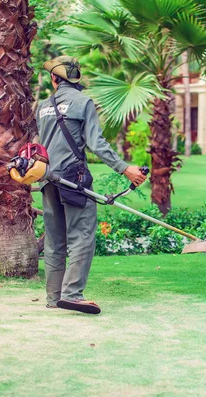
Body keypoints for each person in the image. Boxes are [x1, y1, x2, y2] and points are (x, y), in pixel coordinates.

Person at [36, 56, 147, 314]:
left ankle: (54, 298)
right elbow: (96, 143)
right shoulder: (83, 102)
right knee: (82, 236)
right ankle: (72, 295)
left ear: (54, 78)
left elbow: (40, 142)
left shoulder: (42, 106)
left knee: (54, 240)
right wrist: (125, 169)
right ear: (76, 78)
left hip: (48, 178)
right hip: (73, 179)